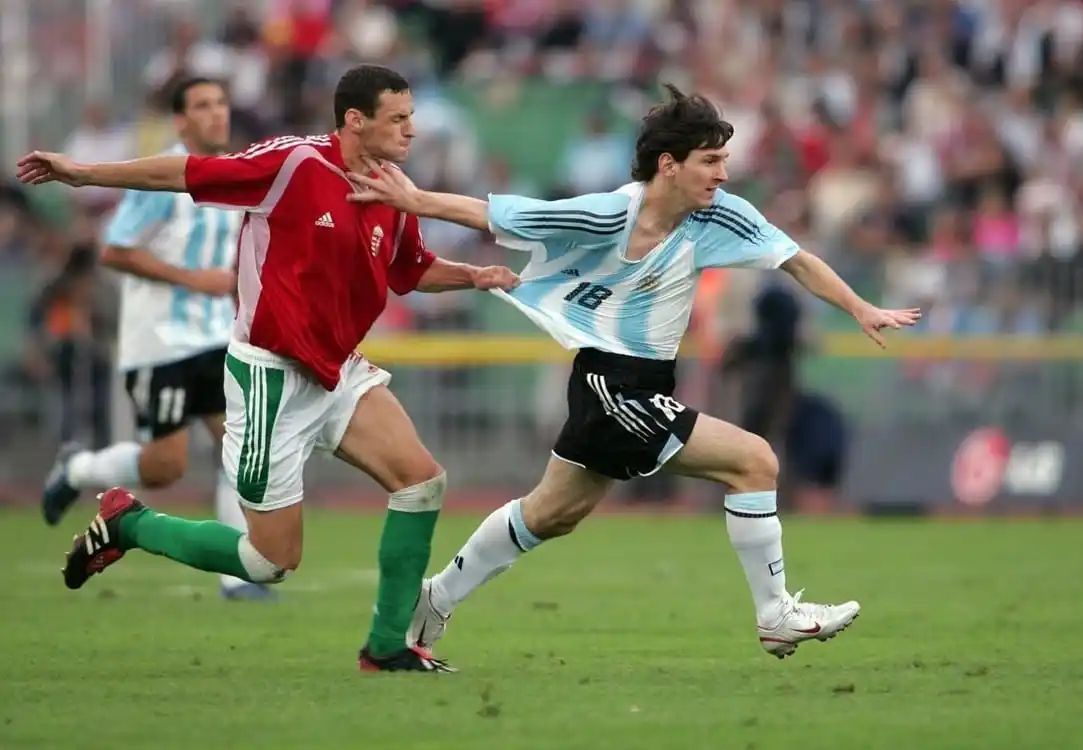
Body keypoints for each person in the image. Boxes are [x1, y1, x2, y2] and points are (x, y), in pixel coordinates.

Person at [346, 85, 920, 664]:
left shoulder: (720, 215)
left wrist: (859, 308)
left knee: (551, 513)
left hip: (642, 385)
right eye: (710, 161)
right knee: (755, 461)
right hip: (608, 385)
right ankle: (775, 616)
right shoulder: (610, 213)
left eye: (724, 159)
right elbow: (503, 213)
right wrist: (414, 200)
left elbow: (796, 259)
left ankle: (433, 600)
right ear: (669, 166)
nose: (724, 173)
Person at [15, 64, 519, 672]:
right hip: (270, 378)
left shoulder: (394, 187)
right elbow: (186, 172)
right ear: (355, 121)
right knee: (268, 562)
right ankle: (129, 524)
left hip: (338, 371)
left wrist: (473, 276)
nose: (412, 130)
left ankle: (388, 647)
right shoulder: (295, 165)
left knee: (420, 483)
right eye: (399, 118)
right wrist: (84, 172)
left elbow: (408, 270)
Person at [38, 77, 273, 600]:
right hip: (160, 341)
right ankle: (77, 467)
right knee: (165, 467)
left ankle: (237, 577)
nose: (216, 114)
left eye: (221, 104)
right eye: (202, 106)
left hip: (216, 338)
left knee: (238, 443)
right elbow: (115, 250)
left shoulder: (234, 178)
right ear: (181, 121)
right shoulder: (166, 178)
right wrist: (195, 281)